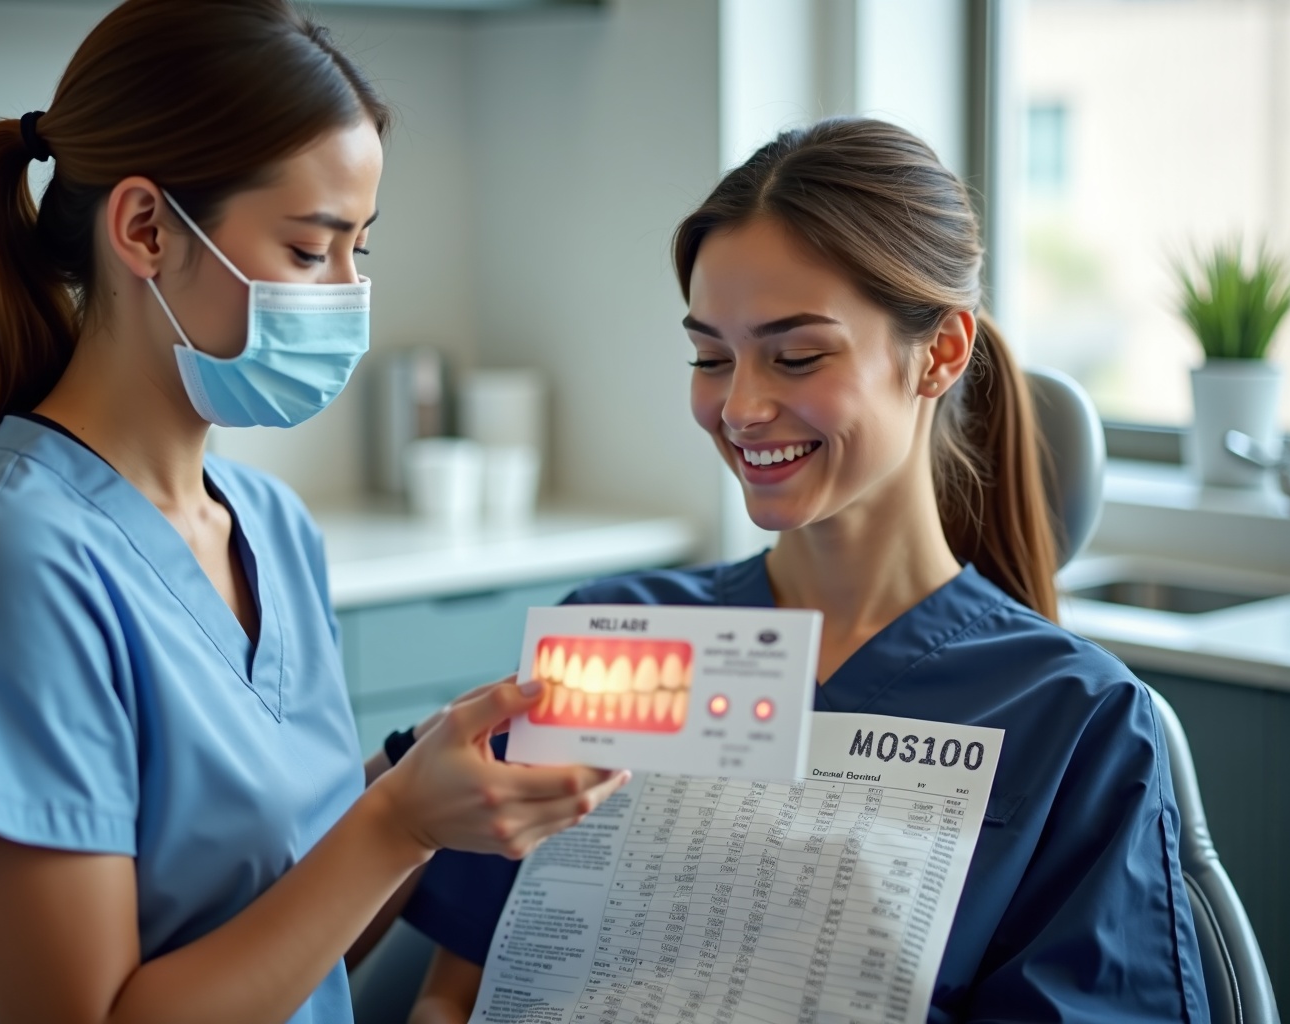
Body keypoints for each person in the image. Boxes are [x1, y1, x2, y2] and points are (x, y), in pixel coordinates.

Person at [0, 2, 629, 1022]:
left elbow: (288, 930)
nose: (349, 293)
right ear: (144, 229)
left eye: (361, 248)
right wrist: (395, 820)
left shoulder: (269, 525)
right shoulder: (6, 565)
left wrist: (419, 779)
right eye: (312, 251)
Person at [402, 118, 1210, 1023]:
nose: (740, 406)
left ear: (940, 352)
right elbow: (455, 995)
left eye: (797, 356)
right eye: (711, 358)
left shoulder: (1069, 717)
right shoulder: (617, 640)